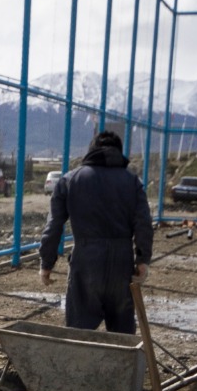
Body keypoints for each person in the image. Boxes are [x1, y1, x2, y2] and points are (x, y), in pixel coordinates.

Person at [38, 130, 154, 334]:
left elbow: (55, 224)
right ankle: (121, 366)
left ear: (91, 150)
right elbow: (144, 223)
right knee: (122, 334)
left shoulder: (70, 180)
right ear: (119, 151)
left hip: (86, 261)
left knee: (79, 332)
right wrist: (142, 260)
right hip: (121, 262)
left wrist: (46, 263)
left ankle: (83, 365)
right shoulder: (132, 182)